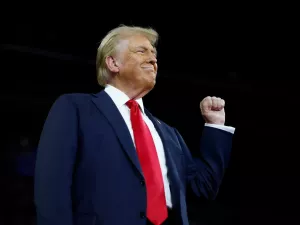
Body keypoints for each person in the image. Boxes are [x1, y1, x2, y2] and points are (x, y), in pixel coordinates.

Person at [34, 25, 235, 225]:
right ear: (113, 63)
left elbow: (202, 188)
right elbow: (51, 189)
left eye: (154, 54)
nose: (153, 59)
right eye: (142, 51)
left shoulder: (168, 134)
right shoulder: (76, 109)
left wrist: (215, 126)